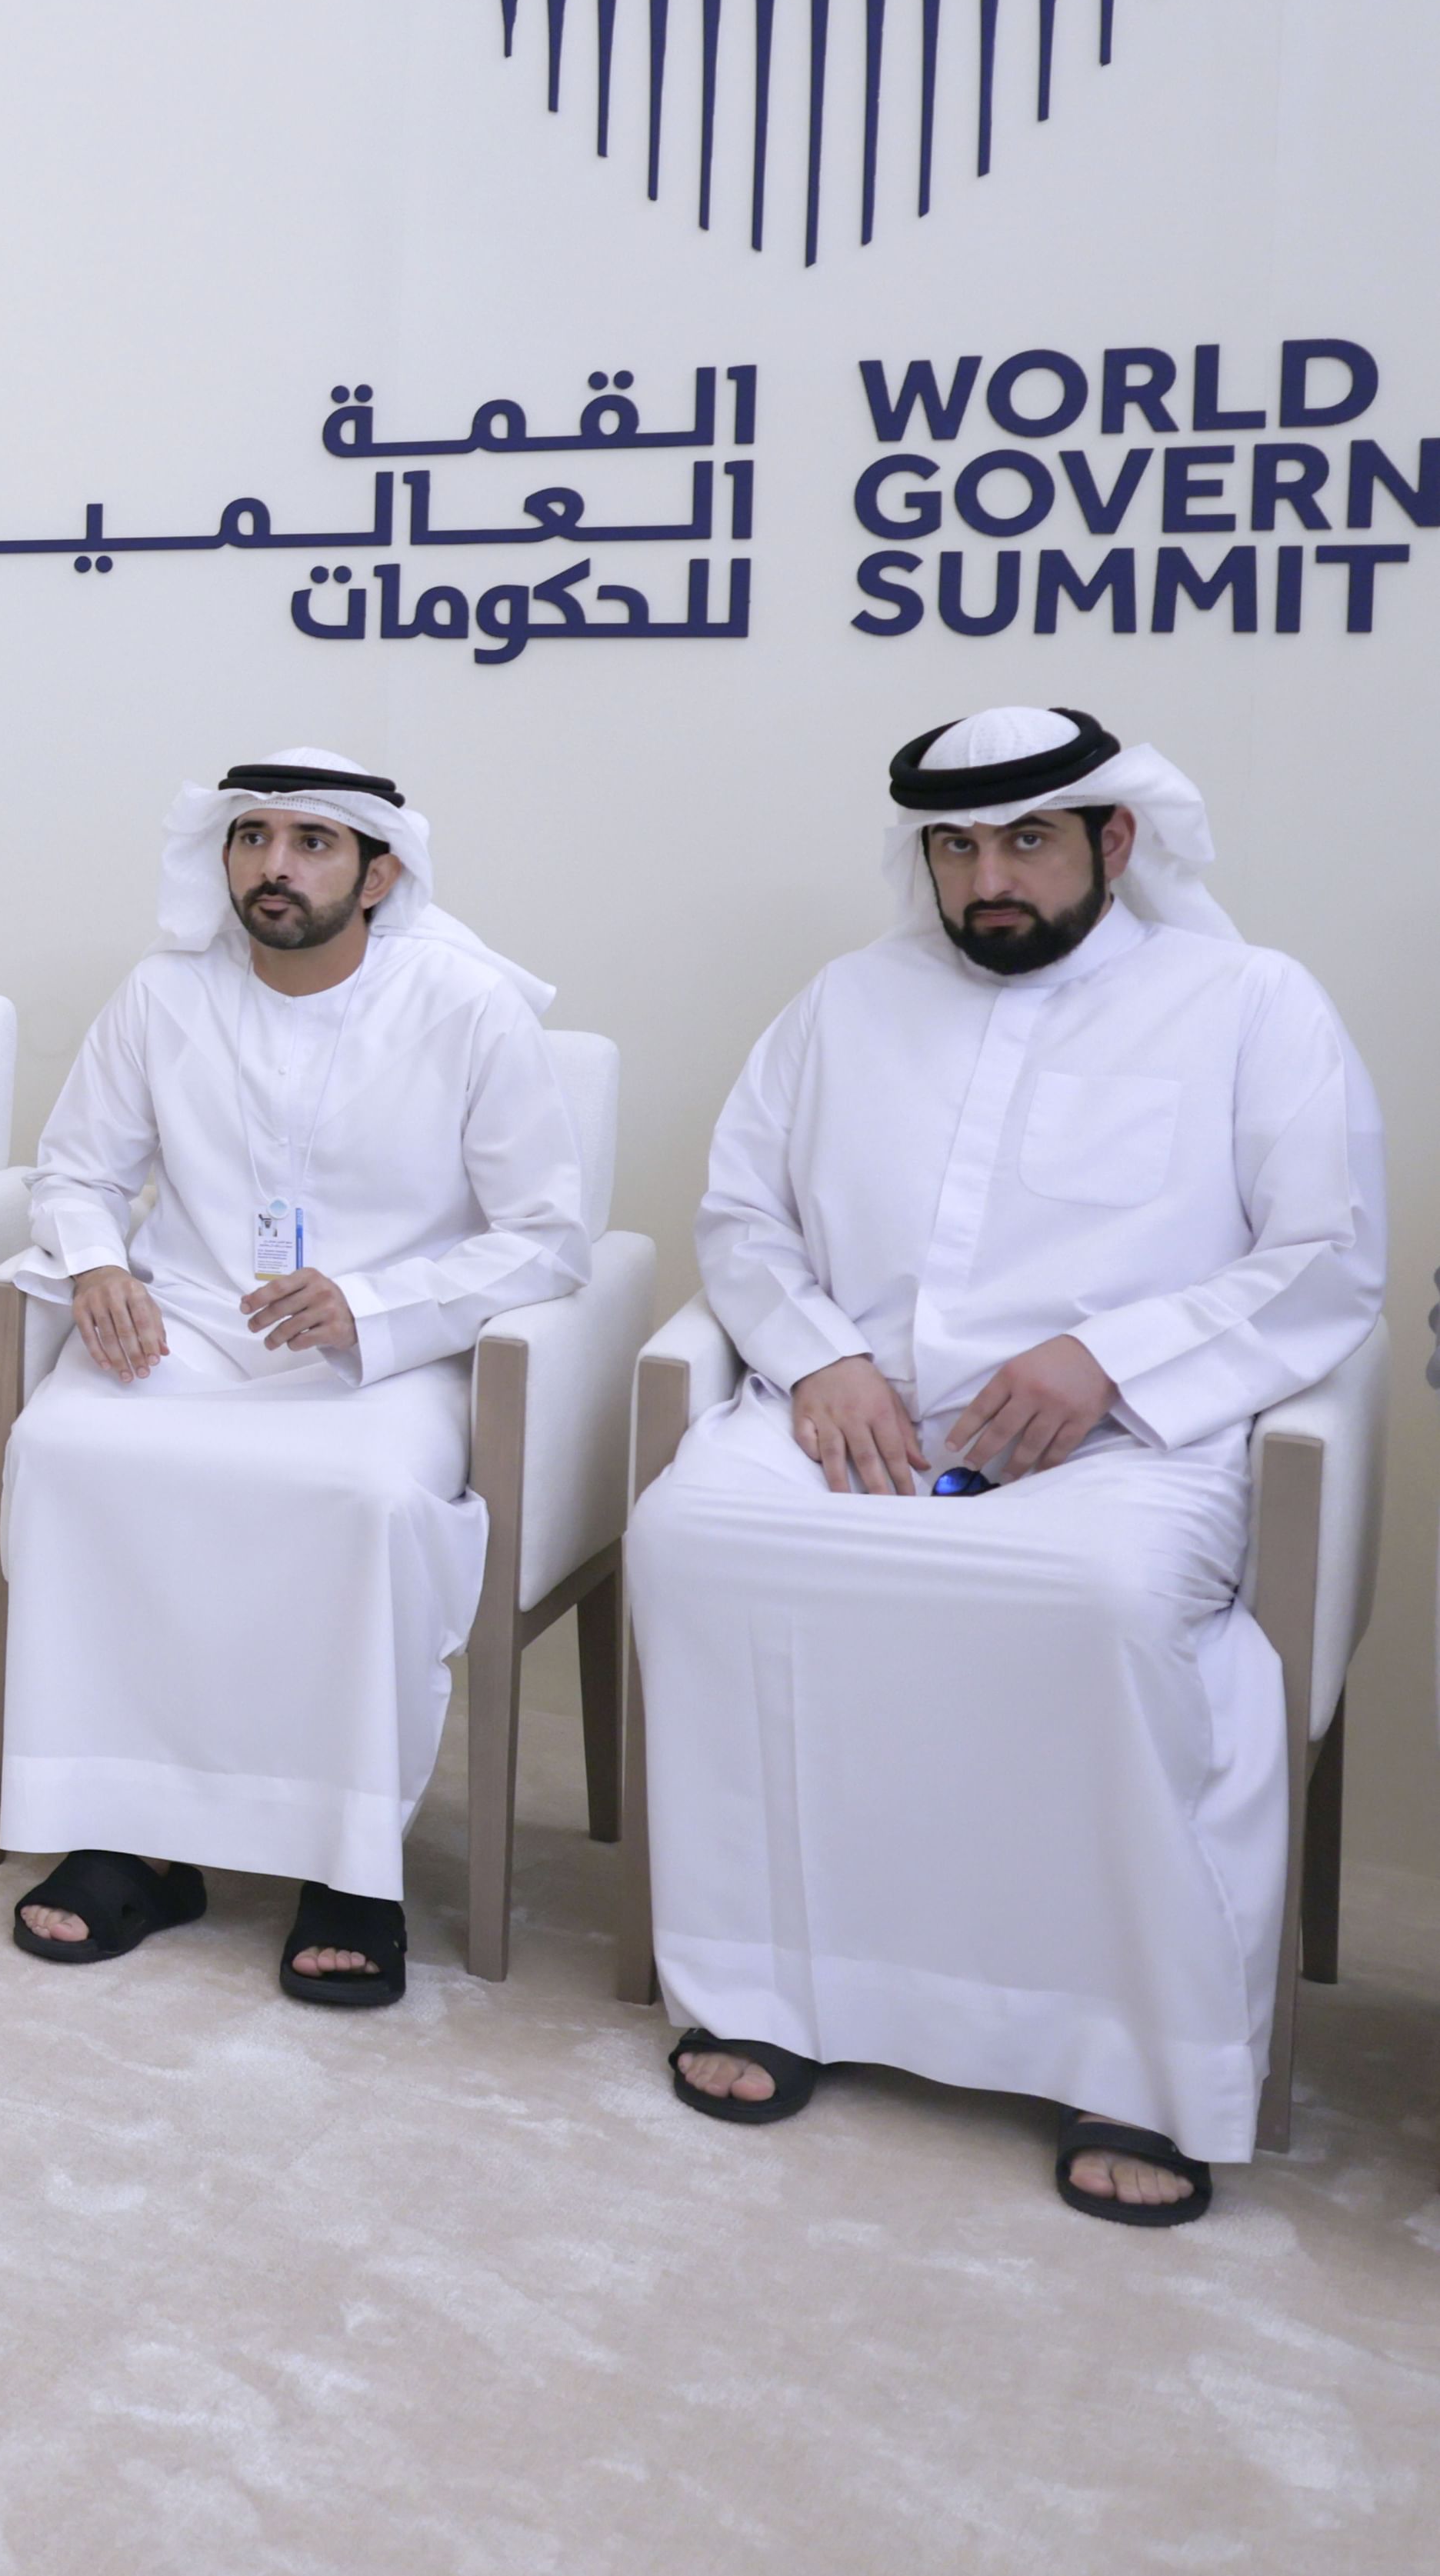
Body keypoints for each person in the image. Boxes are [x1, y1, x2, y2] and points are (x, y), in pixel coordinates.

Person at [629, 706, 1382, 2228]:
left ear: (1111, 841)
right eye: (956, 845)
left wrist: (1110, 1358)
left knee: (1095, 1599)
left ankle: (1133, 2061)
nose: (988, 878)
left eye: (1024, 840)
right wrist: (817, 1354)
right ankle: (774, 1987)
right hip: (863, 1415)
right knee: (694, 1530)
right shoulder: (843, 1003)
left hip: (1130, 1439)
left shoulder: (1247, 1002)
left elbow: (1323, 1257)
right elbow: (740, 1217)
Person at [0, 751, 586, 2003]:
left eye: (312, 842)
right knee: (65, 1453)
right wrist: (97, 1265)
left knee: (365, 1505)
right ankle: (128, 1836)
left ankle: (347, 1866)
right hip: (192, 1322)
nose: (275, 865)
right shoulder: (161, 995)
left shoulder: (465, 1007)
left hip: (381, 1355)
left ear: (379, 870)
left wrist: (370, 1302)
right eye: (252, 837)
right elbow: (73, 1172)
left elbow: (546, 1234)